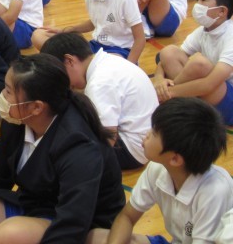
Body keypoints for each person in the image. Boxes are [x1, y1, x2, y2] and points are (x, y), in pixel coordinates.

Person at [0, 54, 125, 244]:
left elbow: (73, 221)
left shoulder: (78, 146)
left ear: (36, 107)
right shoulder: (16, 121)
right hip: (34, 207)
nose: (2, 96)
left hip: (80, 226)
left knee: (5, 235)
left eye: (8, 91)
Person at [87, 98, 233, 244]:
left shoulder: (214, 191)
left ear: (175, 159)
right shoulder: (158, 168)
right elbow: (127, 217)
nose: (147, 134)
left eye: (155, 133)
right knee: (95, 237)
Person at [41, 32, 156, 169]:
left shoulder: (99, 83)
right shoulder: (107, 60)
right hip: (143, 139)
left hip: (131, 150)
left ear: (69, 61)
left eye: (60, 73)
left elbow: (108, 141)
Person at [153, 0, 233, 125]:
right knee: (169, 52)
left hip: (230, 102)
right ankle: (183, 106)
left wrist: (168, 92)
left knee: (199, 64)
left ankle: (169, 101)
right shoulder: (203, 31)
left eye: (203, 0)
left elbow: (209, 84)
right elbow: (165, 61)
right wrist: (159, 80)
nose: (197, 5)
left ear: (222, 11)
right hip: (209, 95)